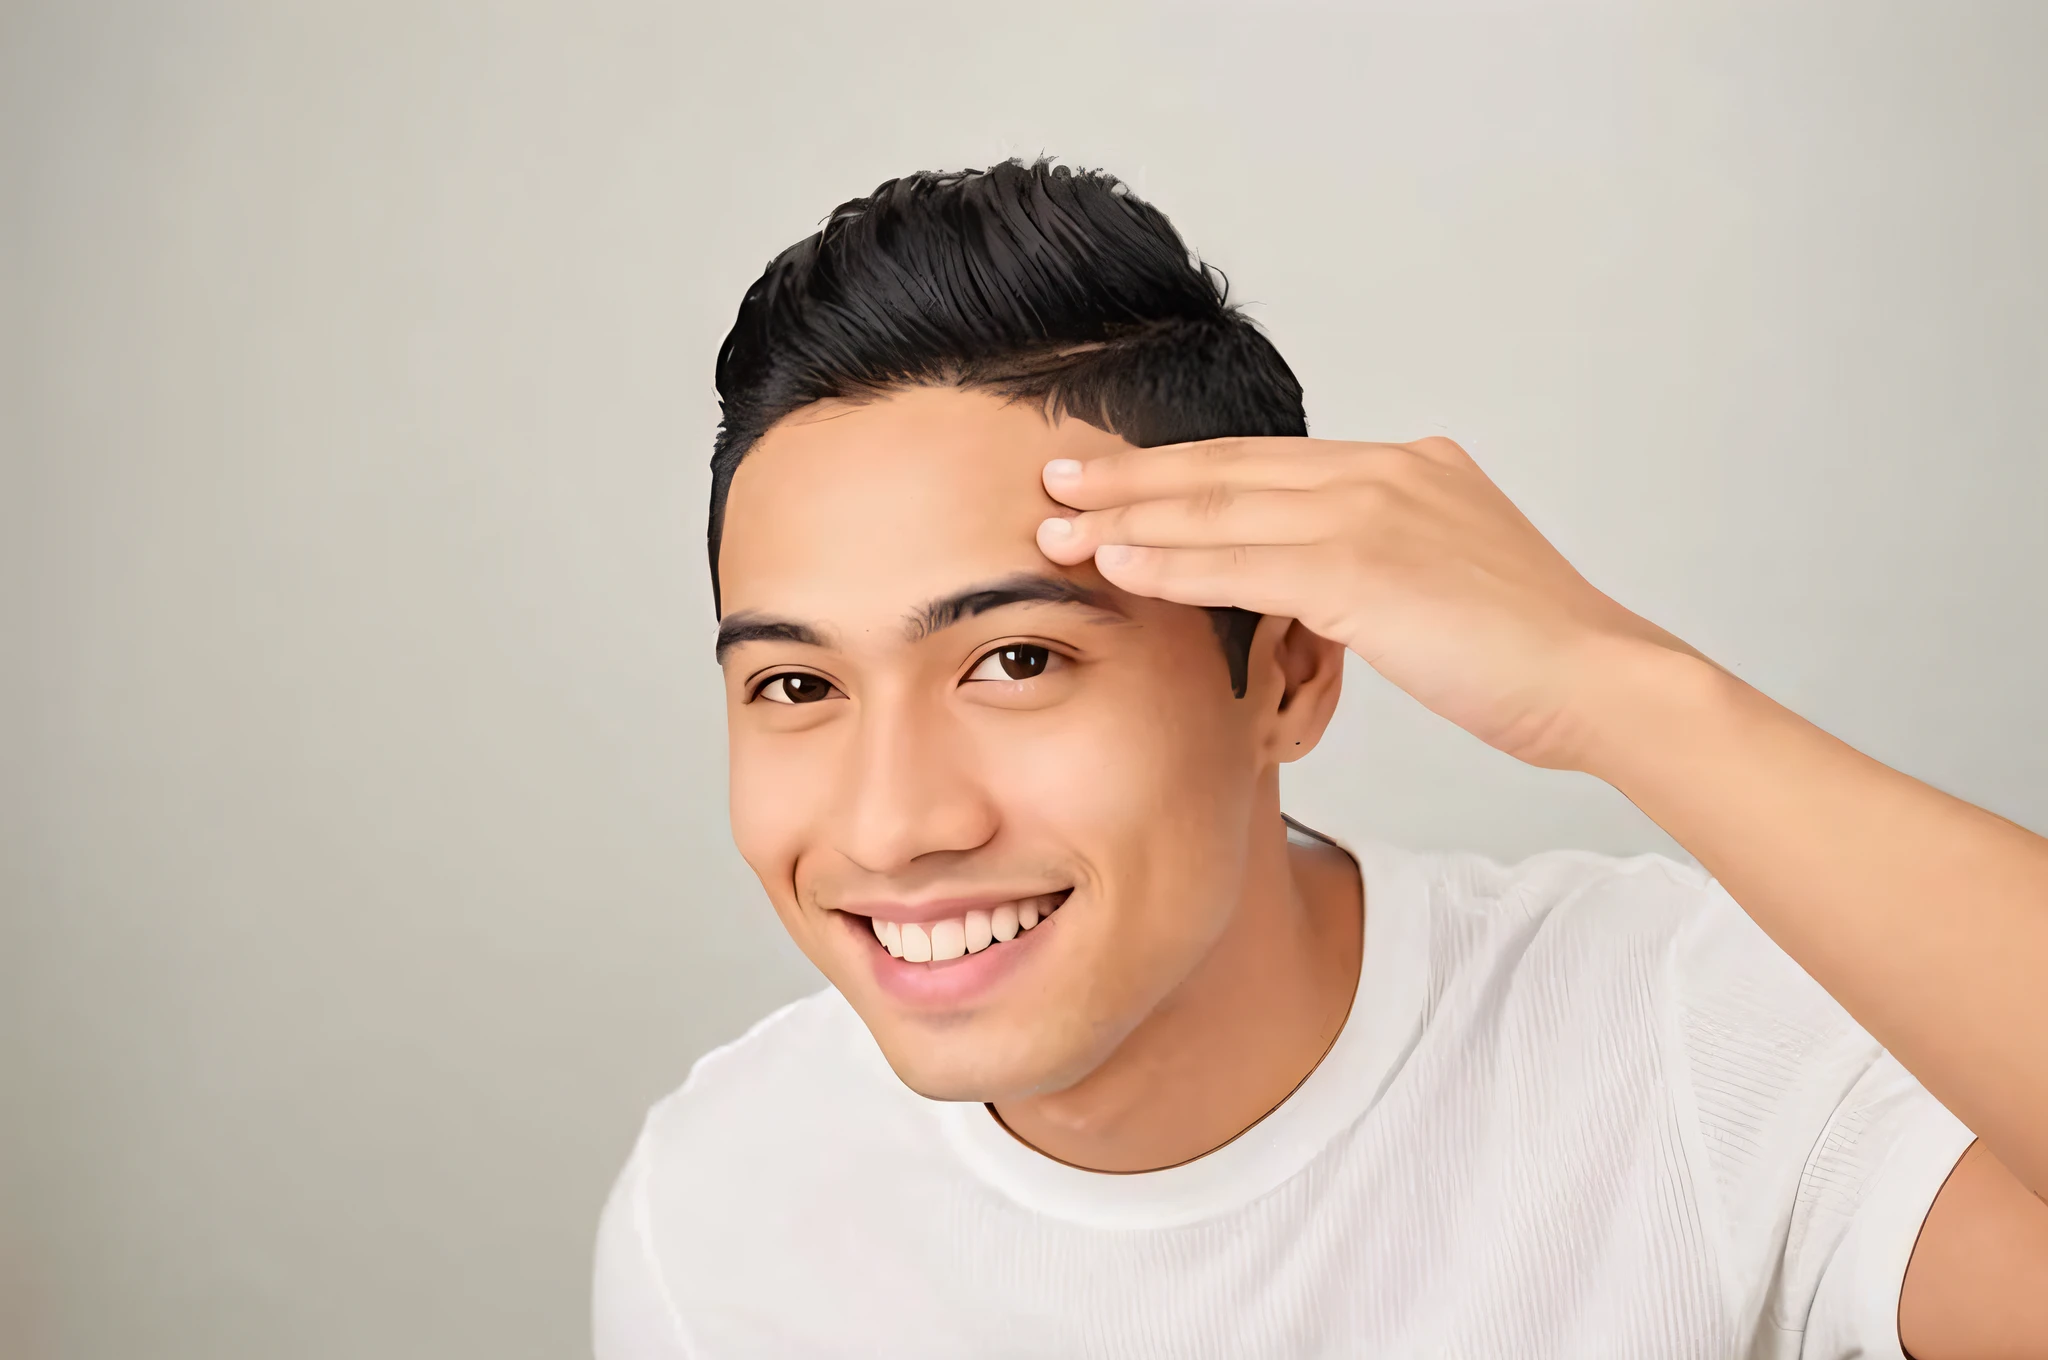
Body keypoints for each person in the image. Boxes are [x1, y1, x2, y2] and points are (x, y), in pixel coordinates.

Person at [592, 160, 2048, 1358]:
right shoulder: (716, 1210)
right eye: (795, 683)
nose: (893, 823)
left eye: (1017, 661)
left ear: (1282, 673)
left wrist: (1622, 691)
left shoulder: (1693, 1048)